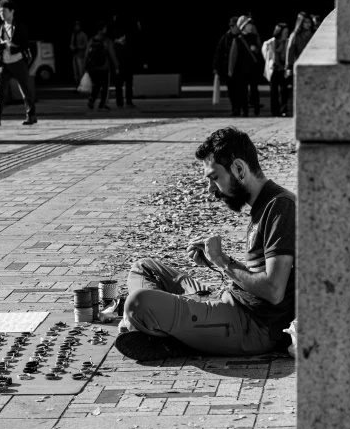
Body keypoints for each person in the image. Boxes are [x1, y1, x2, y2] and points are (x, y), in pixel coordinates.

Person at [115, 126, 296, 361]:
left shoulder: (281, 206)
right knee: (143, 267)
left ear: (239, 169)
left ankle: (163, 332)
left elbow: (273, 290)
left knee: (138, 302)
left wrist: (223, 261)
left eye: (214, 178)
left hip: (252, 326)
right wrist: (216, 261)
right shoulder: (264, 205)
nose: (210, 189)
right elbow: (262, 274)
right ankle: (160, 327)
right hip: (231, 301)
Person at [0, 0, 36, 127]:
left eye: (4, 11)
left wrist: (12, 46)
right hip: (4, 63)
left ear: (12, 12)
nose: (2, 14)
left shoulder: (20, 27)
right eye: (0, 11)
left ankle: (31, 115)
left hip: (18, 61)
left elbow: (24, 45)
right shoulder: (0, 28)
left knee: (24, 89)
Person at [228, 15, 263, 117]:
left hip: (253, 69)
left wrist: (255, 49)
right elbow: (233, 56)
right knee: (243, 90)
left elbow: (260, 51)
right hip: (241, 70)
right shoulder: (238, 40)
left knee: (254, 89)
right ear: (243, 26)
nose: (250, 26)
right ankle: (245, 110)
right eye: (248, 24)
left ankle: (256, 108)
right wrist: (231, 70)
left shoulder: (254, 37)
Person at [84, 21, 118, 111]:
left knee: (96, 85)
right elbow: (112, 54)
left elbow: (87, 54)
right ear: (102, 29)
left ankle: (92, 99)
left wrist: (86, 66)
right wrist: (117, 66)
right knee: (105, 87)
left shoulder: (92, 40)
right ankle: (102, 104)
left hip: (93, 67)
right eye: (105, 28)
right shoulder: (107, 41)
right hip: (105, 67)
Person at [213, 16, 239, 116]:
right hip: (228, 69)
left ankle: (239, 107)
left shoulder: (241, 37)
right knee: (232, 90)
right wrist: (216, 68)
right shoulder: (225, 38)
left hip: (239, 68)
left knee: (240, 90)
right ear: (232, 26)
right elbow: (219, 53)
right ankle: (235, 108)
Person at [263, 23, 291, 117]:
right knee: (273, 91)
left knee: (284, 91)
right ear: (279, 32)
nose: (286, 34)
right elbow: (266, 56)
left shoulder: (288, 42)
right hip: (274, 69)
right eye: (284, 32)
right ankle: (275, 110)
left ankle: (284, 110)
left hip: (284, 69)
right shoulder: (270, 43)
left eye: (287, 32)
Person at [286, 12, 315, 79]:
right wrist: (289, 67)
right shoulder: (295, 35)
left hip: (312, 64)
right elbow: (290, 52)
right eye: (305, 22)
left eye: (309, 22)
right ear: (300, 23)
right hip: (300, 65)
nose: (308, 24)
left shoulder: (314, 33)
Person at [112, 30, 134, 108]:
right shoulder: (123, 46)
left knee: (119, 87)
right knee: (126, 86)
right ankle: (127, 101)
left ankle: (120, 103)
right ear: (122, 36)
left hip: (119, 69)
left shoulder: (114, 46)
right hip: (125, 68)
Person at [69, 20, 87, 89]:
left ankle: (81, 85)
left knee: (80, 71)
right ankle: (77, 85)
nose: (76, 27)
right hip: (74, 55)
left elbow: (85, 45)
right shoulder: (73, 34)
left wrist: (78, 47)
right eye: (75, 26)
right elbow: (71, 43)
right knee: (75, 72)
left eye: (78, 26)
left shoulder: (83, 35)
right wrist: (72, 47)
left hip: (80, 55)